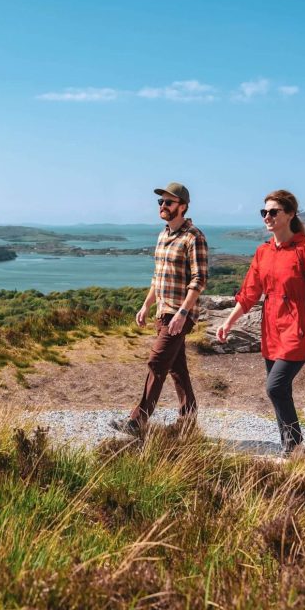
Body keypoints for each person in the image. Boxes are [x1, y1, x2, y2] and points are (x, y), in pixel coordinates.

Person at [215, 189, 305, 455]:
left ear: (290, 214)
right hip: (271, 329)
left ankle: (294, 443)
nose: (267, 217)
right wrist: (229, 321)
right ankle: (289, 448)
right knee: (280, 390)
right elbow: (249, 293)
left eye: (273, 212)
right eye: (264, 212)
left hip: (298, 329)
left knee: (275, 386)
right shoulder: (263, 252)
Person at [110, 182, 208, 438]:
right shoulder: (163, 236)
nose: (162, 206)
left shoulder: (193, 237)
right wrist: (145, 305)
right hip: (162, 312)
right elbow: (158, 277)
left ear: (183, 206)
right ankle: (189, 419)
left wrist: (183, 313)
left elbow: (199, 280)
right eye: (160, 202)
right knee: (177, 368)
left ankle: (137, 420)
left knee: (156, 361)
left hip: (179, 313)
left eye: (168, 202)